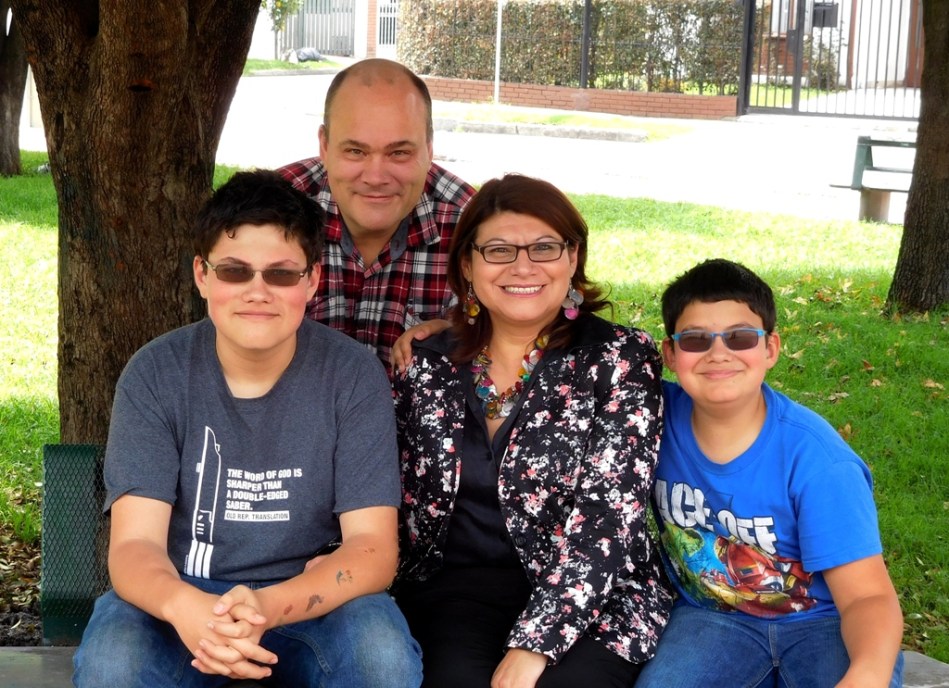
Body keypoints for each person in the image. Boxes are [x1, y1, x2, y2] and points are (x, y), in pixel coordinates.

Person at [72, 170, 422, 688]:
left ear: (312, 280)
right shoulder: (156, 373)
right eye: (235, 272)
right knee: (113, 665)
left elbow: (372, 548)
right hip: (181, 594)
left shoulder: (351, 375)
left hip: (309, 597)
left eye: (281, 274)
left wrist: (266, 606)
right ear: (202, 275)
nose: (257, 292)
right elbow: (134, 546)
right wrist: (186, 606)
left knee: (381, 660)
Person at [391, 174, 672, 688]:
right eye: (498, 250)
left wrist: (536, 642)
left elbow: (608, 518)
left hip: (594, 596)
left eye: (544, 247)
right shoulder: (428, 363)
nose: (523, 267)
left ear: (573, 258)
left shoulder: (620, 359)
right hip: (456, 595)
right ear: (467, 265)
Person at [636, 258, 904, 688]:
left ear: (771, 349)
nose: (718, 353)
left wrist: (866, 674)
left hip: (824, 622)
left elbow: (867, 596)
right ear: (670, 354)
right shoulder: (646, 420)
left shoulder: (819, 462)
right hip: (712, 617)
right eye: (695, 339)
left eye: (740, 337)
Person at [278, 58, 475, 368]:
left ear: (429, 148)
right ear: (324, 146)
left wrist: (459, 336)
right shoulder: (271, 211)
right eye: (356, 151)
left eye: (399, 153)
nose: (375, 177)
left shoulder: (473, 229)